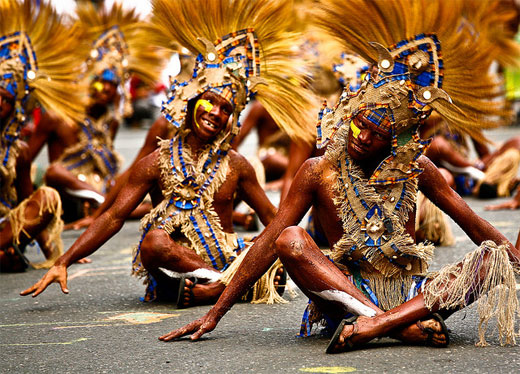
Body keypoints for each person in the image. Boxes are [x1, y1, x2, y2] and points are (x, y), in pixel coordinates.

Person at [158, 0, 520, 351]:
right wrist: (216, 312)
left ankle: (381, 325)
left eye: (377, 135)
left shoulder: (417, 167)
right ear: (350, 114)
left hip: (412, 293)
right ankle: (391, 322)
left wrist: (514, 265)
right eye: (359, 125)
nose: (363, 138)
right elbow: (271, 240)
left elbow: (472, 224)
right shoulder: (318, 171)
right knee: (290, 239)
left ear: (397, 139)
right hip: (344, 295)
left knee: (491, 257)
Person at [21, 0, 314, 307]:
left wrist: (289, 257)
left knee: (268, 249)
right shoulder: (156, 163)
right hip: (175, 265)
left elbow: (274, 219)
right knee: (154, 242)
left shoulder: (237, 165)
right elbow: (113, 217)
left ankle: (214, 290)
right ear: (190, 102)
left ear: (232, 120)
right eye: (210, 102)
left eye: (226, 109)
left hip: (228, 255)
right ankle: (227, 286)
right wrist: (64, 260)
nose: (215, 113)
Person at [26, 2, 163, 222]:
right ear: (88, 80)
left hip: (99, 191)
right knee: (54, 172)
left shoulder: (111, 122)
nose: (106, 89)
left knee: (154, 198)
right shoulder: (57, 117)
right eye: (100, 81)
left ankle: (103, 208)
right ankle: (103, 206)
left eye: (112, 84)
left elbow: (107, 171)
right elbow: (25, 162)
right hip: (65, 199)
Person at [0, 0, 85, 271]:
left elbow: (29, 202)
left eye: (5, 100)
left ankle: (6, 251)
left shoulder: (18, 150)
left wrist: (57, 255)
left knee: (46, 198)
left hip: (4, 229)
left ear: (16, 107)